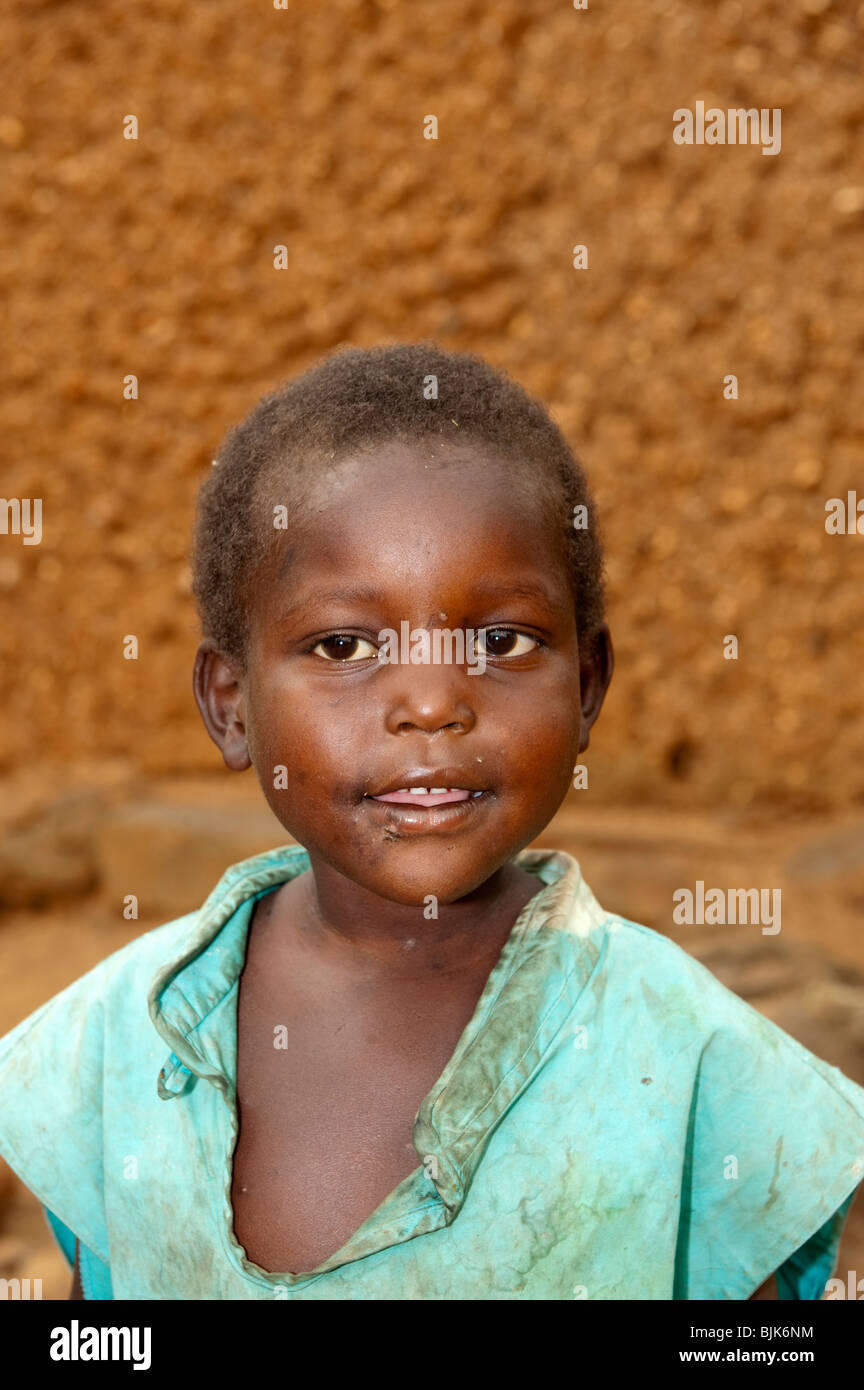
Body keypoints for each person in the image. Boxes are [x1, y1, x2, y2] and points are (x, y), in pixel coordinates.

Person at [1, 341, 862, 1300]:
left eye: (500, 640)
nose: (432, 704)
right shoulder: (111, 1050)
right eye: (343, 644)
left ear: (585, 688)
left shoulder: (696, 1066)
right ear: (231, 704)